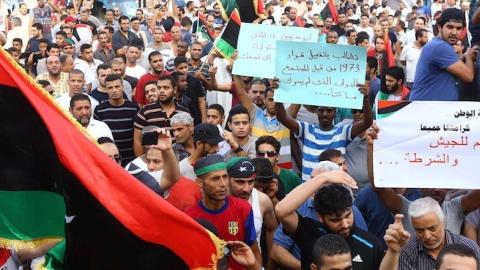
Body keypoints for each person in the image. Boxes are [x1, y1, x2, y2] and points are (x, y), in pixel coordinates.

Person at [275, 171, 384, 270]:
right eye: (335, 220)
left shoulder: (371, 245)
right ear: (320, 217)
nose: (345, 224)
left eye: (348, 216)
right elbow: (281, 210)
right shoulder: (309, 231)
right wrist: (324, 177)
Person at [275, 83, 372, 181]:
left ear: (335, 113)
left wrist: (366, 99)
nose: (325, 114)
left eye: (329, 111)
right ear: (317, 112)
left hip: (335, 188)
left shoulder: (343, 132)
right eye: (321, 110)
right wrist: (277, 95)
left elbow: (367, 122)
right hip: (310, 191)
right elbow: (282, 118)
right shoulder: (306, 129)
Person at [185, 154, 261, 270]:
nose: (223, 184)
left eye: (225, 177)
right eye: (215, 179)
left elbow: (253, 251)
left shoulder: (242, 208)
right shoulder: (189, 217)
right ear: (199, 183)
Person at [410, 8, 477, 101]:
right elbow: (468, 76)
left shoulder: (439, 45)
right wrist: (469, 55)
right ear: (439, 27)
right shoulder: (440, 47)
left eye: (458, 28)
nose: (454, 32)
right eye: (450, 27)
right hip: (427, 110)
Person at [227, 157, 278, 262]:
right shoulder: (217, 202)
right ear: (227, 179)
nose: (246, 189)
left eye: (250, 182)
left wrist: (270, 264)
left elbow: (272, 229)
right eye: (240, 182)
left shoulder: (262, 200)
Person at [234, 76, 292, 168]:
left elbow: (299, 97)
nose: (274, 103)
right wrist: (235, 70)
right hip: (259, 169)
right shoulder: (255, 113)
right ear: (264, 100)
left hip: (283, 170)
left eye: (277, 100)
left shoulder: (288, 117)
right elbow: (240, 91)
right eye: (270, 99)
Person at [133, 75, 190, 157]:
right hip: (154, 161)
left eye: (166, 88)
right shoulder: (145, 112)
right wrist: (143, 163)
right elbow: (138, 141)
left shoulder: (184, 113)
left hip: (179, 161)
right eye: (159, 88)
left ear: (174, 90)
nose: (161, 91)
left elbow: (189, 142)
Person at [94, 74, 139, 165]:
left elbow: (137, 136)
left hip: (131, 159)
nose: (114, 90)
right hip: (109, 160)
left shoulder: (133, 108)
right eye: (110, 88)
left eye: (117, 86)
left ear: (122, 87)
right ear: (106, 89)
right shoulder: (99, 110)